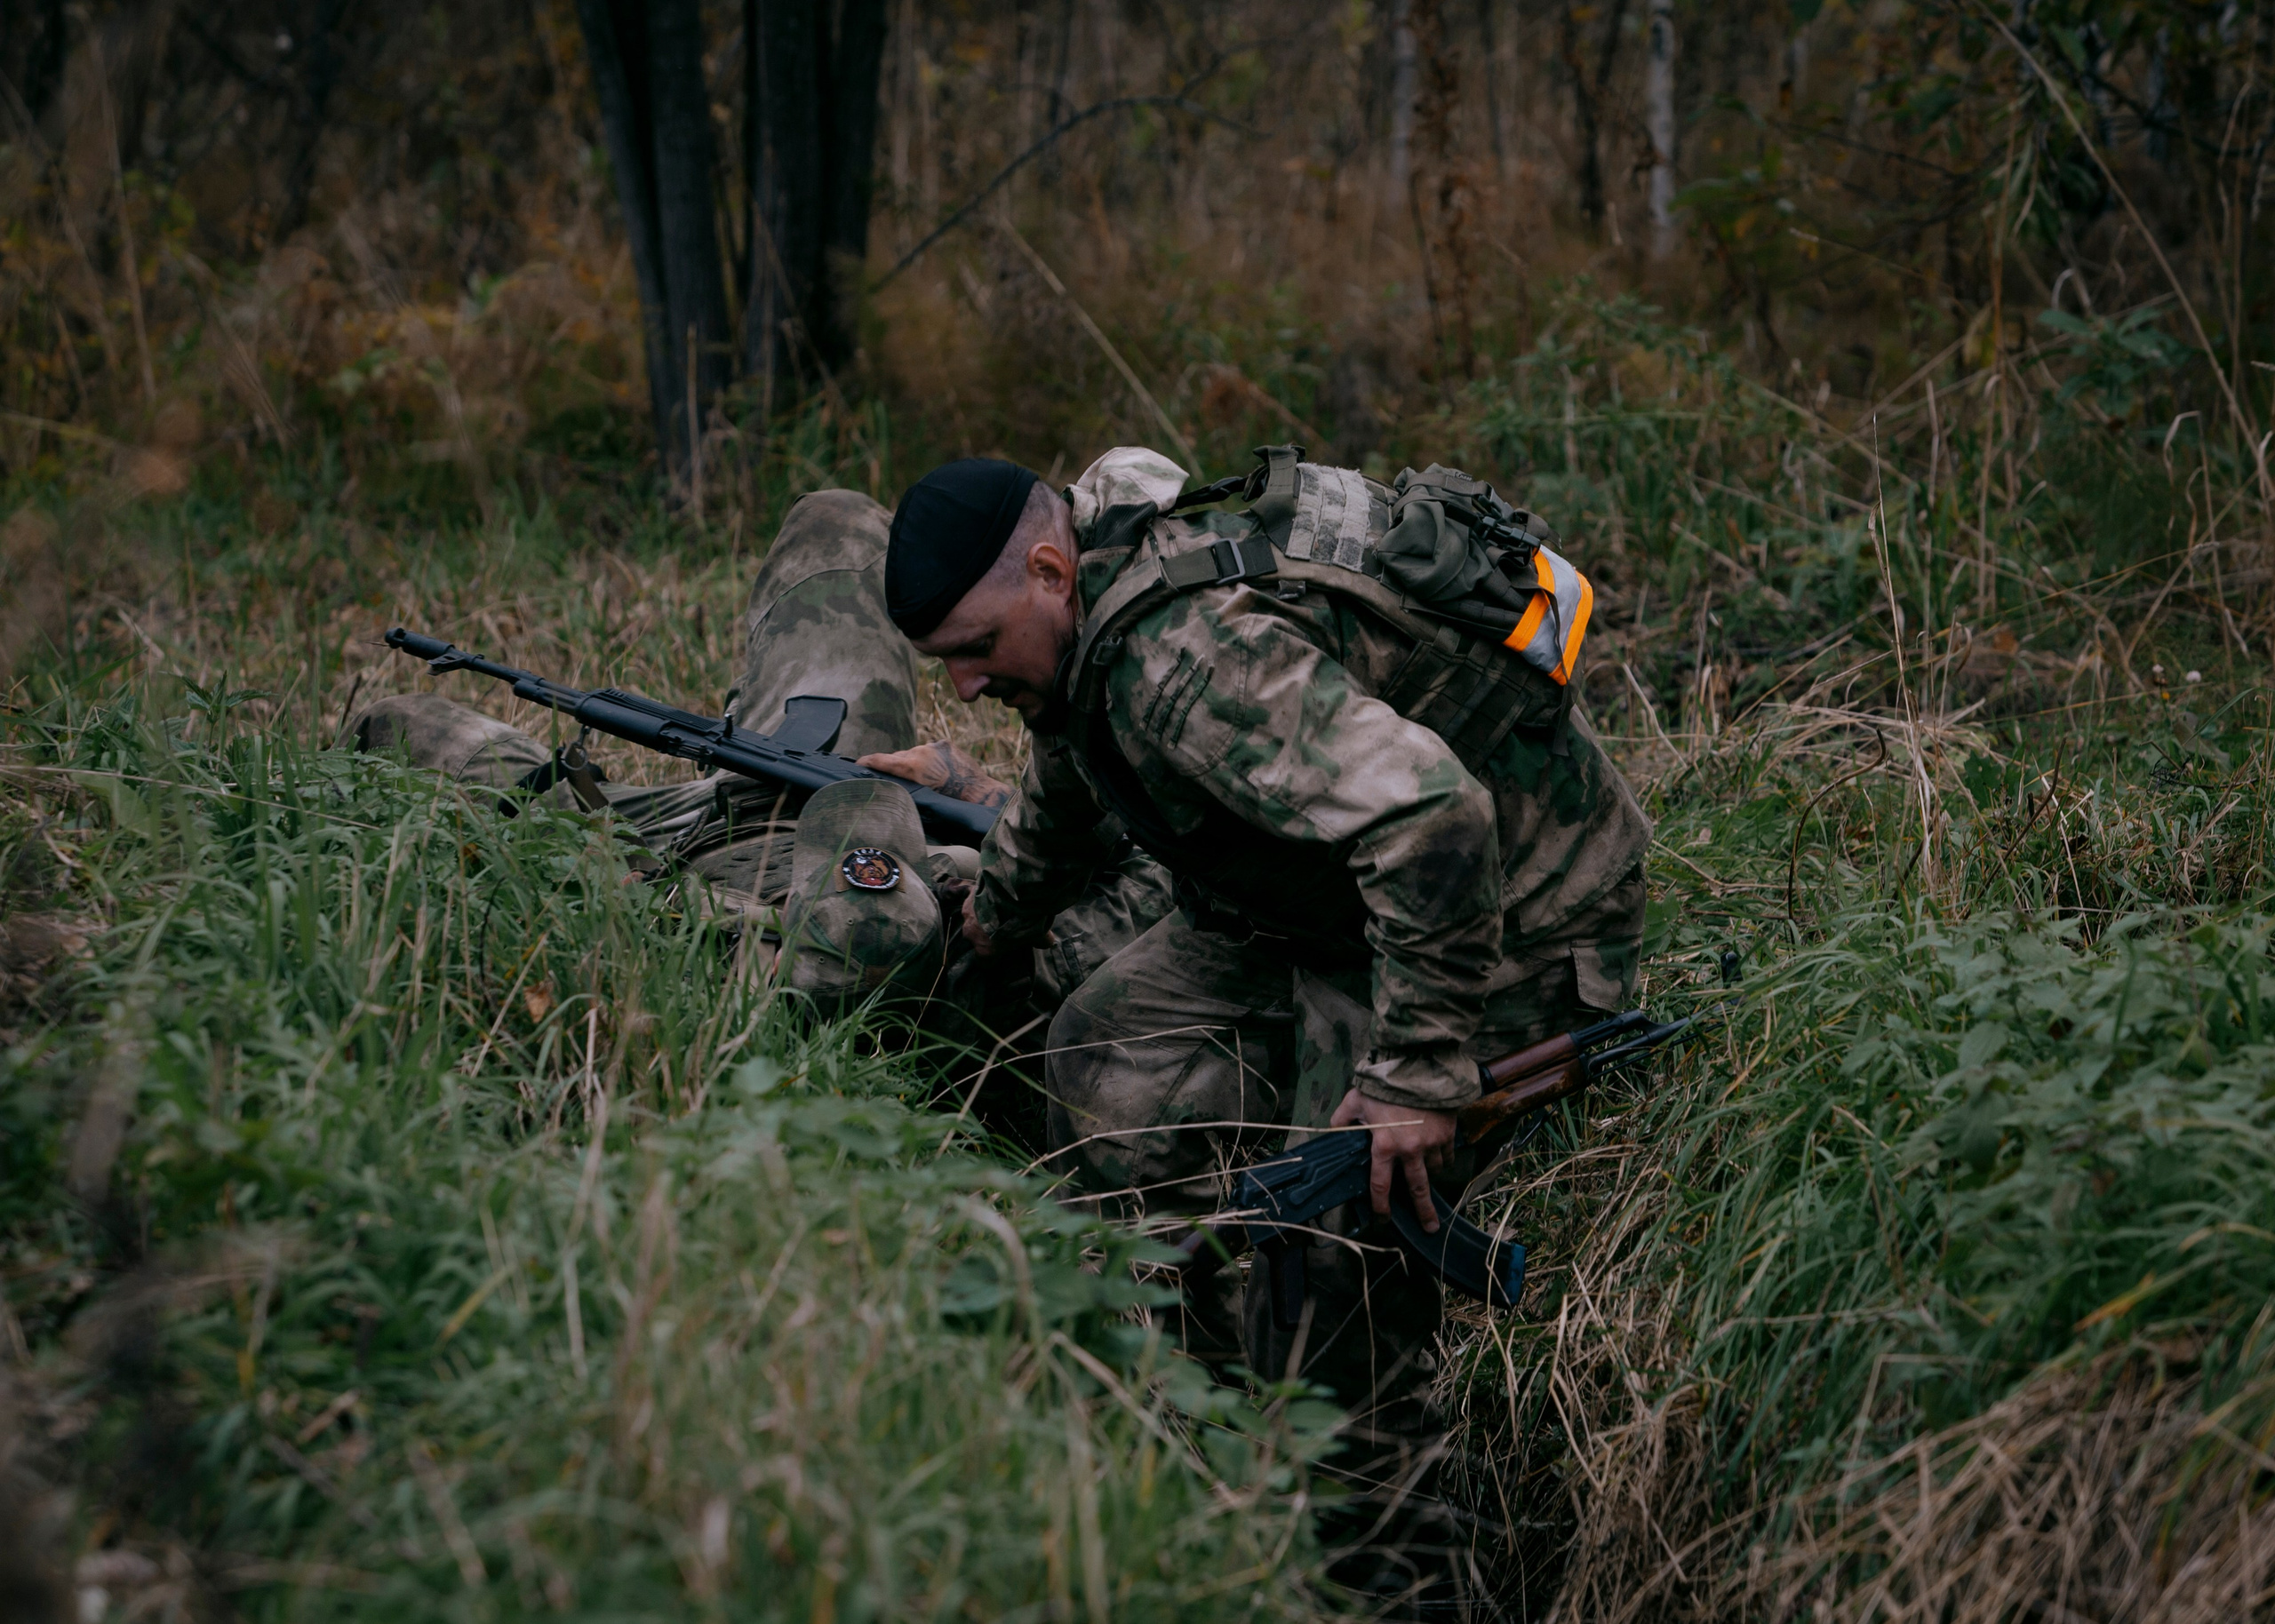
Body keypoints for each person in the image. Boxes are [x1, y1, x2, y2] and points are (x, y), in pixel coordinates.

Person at [882, 446, 1654, 1591]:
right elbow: (1066, 769)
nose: (960, 689)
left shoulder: (1184, 664)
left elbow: (1436, 819)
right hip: (1323, 891)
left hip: (1510, 904)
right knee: (1096, 1041)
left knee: (1326, 1253)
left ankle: (1386, 1562)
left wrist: (1412, 1071)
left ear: (1048, 572)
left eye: (974, 651)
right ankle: (1202, 1388)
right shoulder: (1100, 579)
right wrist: (996, 919)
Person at [350, 486, 1171, 1026]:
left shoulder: (1147, 949)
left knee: (394, 726)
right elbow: (1091, 839)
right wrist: (970, 786)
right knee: (838, 518)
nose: (964, 687)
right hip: (827, 782)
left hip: (697, 872)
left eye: (982, 648)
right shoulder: (1118, 763)